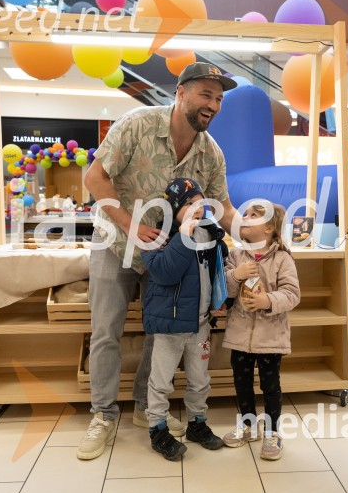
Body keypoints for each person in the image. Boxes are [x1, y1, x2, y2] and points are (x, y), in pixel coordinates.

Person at [78, 62, 239, 461]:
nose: (213, 104)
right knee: (106, 333)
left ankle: (143, 410)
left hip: (167, 258)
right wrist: (130, 225)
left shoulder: (211, 152)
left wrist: (259, 227)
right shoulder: (137, 124)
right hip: (115, 243)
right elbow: (95, 177)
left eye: (218, 98)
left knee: (161, 334)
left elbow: (224, 207)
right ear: (181, 92)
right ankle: (102, 414)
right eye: (206, 94)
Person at [141, 178, 227, 460]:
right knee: (161, 380)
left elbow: (217, 271)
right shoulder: (158, 236)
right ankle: (157, 427)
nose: (197, 209)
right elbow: (165, 272)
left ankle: (197, 423)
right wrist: (183, 236)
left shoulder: (209, 234)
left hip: (200, 322)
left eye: (200, 203)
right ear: (174, 207)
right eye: (189, 203)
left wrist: (221, 301)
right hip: (169, 325)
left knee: (200, 379)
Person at [221, 202, 301, 460]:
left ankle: (273, 431)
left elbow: (292, 294)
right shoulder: (236, 256)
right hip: (240, 335)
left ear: (269, 228)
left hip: (271, 337)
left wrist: (268, 301)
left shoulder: (282, 258)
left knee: (270, 385)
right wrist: (236, 275)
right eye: (245, 214)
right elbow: (226, 290)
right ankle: (248, 426)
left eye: (253, 216)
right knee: (242, 384)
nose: (244, 218)